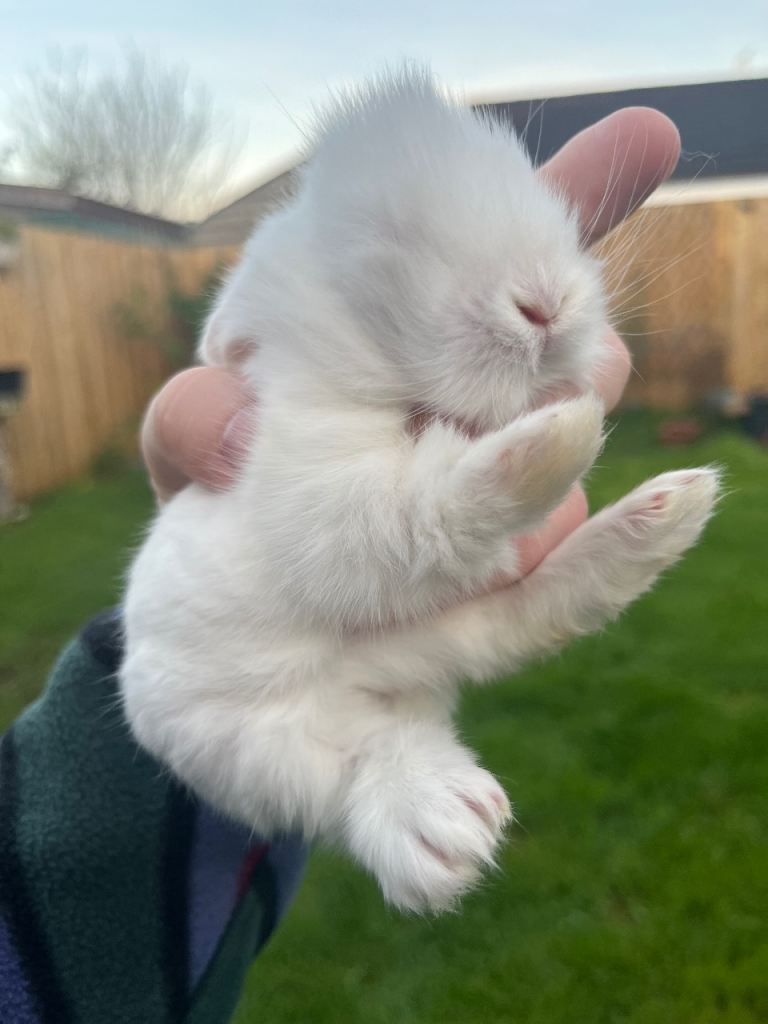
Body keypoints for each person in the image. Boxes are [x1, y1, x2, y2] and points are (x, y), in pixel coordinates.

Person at [0, 108, 679, 1024]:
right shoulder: (303, 366)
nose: (547, 299)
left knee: (463, 623)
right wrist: (476, 500)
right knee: (363, 694)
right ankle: (372, 776)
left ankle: (580, 585)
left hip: (356, 660)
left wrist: (492, 487)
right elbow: (336, 556)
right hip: (226, 696)